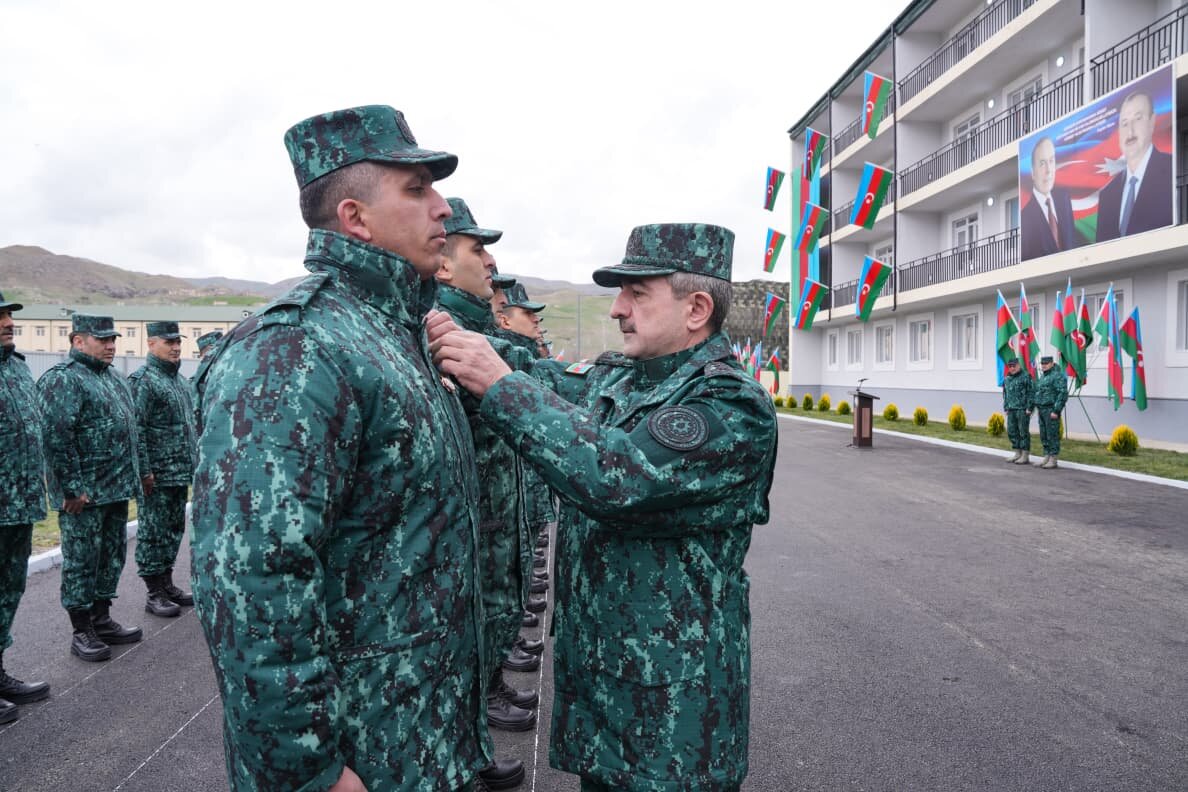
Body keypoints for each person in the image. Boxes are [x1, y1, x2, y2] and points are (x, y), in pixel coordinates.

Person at [190, 106, 489, 792]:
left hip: (421, 739)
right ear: (356, 218)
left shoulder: (394, 335)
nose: (443, 208)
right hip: (360, 757)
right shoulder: (296, 346)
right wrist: (307, 770)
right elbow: (254, 580)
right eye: (416, 189)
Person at [431, 222, 779, 790]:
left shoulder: (730, 406)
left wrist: (498, 384)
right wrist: (454, 337)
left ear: (696, 309)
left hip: (674, 724)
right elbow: (538, 375)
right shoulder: (624, 378)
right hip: (608, 696)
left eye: (636, 293)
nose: (617, 309)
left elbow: (617, 478)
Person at [435, 197, 539, 791]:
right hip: (470, 517)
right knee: (471, 626)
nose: (491, 262)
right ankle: (469, 741)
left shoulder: (466, 329)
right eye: (478, 249)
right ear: (445, 264)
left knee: (493, 610)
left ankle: (474, 732)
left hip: (493, 508)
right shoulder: (443, 331)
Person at [38, 314, 145, 662]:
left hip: (115, 488)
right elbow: (56, 437)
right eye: (102, 340)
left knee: (111, 557)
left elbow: (131, 432)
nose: (111, 345)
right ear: (78, 340)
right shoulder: (63, 379)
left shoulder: (114, 378)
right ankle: (81, 629)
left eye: (113, 339)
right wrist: (71, 488)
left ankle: (101, 619)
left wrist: (135, 477)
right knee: (82, 561)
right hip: (83, 496)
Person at [0, 292, 51, 721]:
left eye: (7, 315)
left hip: (19, 504)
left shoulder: (17, 367)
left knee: (8, 591)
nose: (7, 322)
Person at [127, 321, 196, 618]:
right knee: (153, 532)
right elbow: (136, 430)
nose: (176, 347)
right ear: (151, 344)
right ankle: (154, 592)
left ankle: (167, 584)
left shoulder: (179, 381)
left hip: (179, 471)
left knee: (172, 530)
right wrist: (144, 471)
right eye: (169, 342)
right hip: (156, 475)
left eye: (178, 342)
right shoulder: (143, 381)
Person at [1096, 91, 1174, 242]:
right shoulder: (1107, 195)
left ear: (1152, 121)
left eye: (1138, 119)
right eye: (1124, 124)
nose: (1130, 131)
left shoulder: (1171, 170)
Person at [1020, 137, 1078, 261]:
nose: (1048, 170)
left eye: (1051, 161)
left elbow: (1072, 241)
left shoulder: (1064, 198)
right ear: (1033, 173)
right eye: (1042, 163)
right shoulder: (1025, 217)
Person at [1034, 355, 1068, 469]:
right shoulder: (1043, 377)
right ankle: (1047, 456)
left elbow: (1062, 393)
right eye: (1042, 364)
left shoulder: (1057, 376)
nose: (1044, 366)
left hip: (1051, 410)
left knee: (1052, 434)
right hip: (1042, 410)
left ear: (1052, 363)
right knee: (1044, 434)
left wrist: (1056, 410)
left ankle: (1053, 458)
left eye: (1046, 363)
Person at [1002, 357, 1034, 465]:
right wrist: (1006, 407)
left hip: (1022, 409)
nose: (1012, 368)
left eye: (1014, 366)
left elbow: (1031, 392)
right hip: (1011, 409)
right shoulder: (1007, 379)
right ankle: (1017, 453)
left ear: (1018, 365)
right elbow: (1005, 394)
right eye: (1010, 366)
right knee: (1011, 431)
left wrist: (1030, 407)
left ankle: (1025, 455)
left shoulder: (1026, 376)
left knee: (1023, 432)